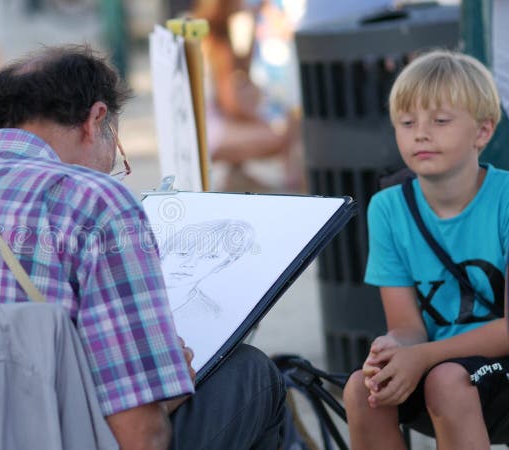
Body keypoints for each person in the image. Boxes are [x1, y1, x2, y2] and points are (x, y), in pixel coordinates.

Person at [0, 45, 285, 449]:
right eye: (116, 148)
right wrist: (166, 392)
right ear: (95, 119)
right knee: (251, 374)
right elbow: (139, 439)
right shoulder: (94, 202)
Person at [342, 50, 509, 449]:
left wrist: (425, 357)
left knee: (447, 381)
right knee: (362, 390)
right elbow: (408, 327)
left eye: (440, 121)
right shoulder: (387, 207)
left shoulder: (505, 198)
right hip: (438, 364)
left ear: (482, 132)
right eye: (407, 122)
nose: (421, 133)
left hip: (488, 367)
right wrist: (394, 349)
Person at [193, 0, 302, 193]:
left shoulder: (208, 34)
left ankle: (238, 177)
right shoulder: (217, 42)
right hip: (209, 133)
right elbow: (231, 104)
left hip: (205, 127)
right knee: (285, 131)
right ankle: (293, 182)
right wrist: (262, 120)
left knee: (283, 122)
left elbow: (241, 73)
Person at [160, 219, 256, 319]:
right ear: (163, 253)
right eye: (183, 254)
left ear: (223, 264)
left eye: (209, 257)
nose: (189, 264)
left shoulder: (210, 314)